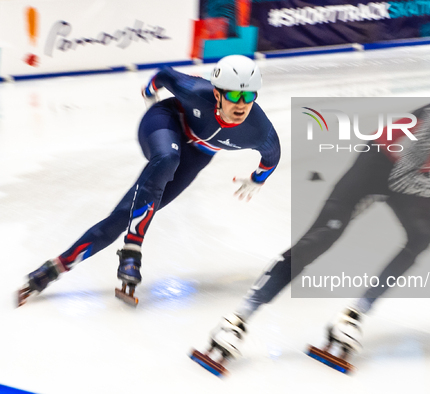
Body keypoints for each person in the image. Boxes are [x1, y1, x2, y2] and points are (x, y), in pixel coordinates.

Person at [192, 76, 430, 374]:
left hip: (412, 170)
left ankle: (352, 316)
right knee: (321, 238)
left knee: (421, 238)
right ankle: (236, 321)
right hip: (377, 164)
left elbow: (414, 172)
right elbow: (401, 178)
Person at [18, 55, 281, 306]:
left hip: (198, 153)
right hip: (164, 122)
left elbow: (272, 156)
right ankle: (132, 250)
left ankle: (55, 267)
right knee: (167, 158)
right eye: (234, 95)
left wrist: (257, 180)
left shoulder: (258, 129)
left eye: (249, 96)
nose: (241, 104)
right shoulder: (196, 90)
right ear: (217, 93)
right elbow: (164, 75)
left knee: (126, 215)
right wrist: (149, 93)